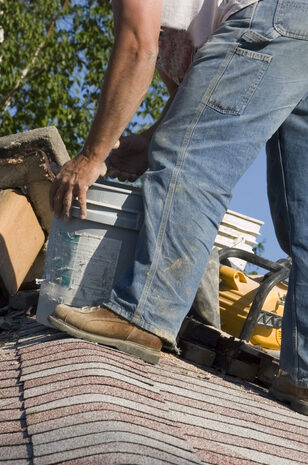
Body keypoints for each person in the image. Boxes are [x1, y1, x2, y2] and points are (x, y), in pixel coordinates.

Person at [48, 0, 308, 415]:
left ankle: (144, 314)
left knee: (190, 158)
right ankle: (305, 375)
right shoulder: (189, 32)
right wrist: (146, 141)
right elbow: (193, 103)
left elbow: (137, 48)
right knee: (304, 213)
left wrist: (92, 155)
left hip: (271, 18)